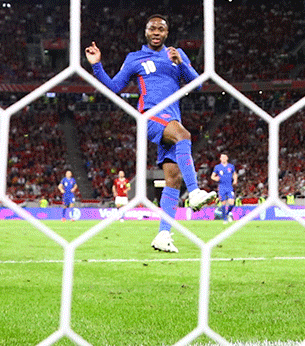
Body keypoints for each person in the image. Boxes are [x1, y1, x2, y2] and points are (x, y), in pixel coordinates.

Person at [86, 14, 217, 253]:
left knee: (173, 179)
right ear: (146, 32)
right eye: (152, 29)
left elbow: (197, 84)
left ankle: (163, 235)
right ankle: (195, 192)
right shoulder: (135, 58)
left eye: (161, 29)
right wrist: (97, 65)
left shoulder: (176, 54)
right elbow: (114, 87)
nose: (156, 32)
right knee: (184, 136)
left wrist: (182, 64)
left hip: (172, 116)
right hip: (151, 115)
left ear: (167, 33)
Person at [211, 153, 237, 222]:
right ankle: (225, 219)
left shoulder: (231, 166)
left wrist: (235, 180)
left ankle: (227, 213)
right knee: (223, 203)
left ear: (227, 158)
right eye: (222, 157)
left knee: (231, 203)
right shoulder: (217, 167)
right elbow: (212, 176)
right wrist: (216, 178)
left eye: (224, 157)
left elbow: (234, 174)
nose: (223, 159)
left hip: (229, 187)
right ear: (220, 159)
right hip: (222, 187)